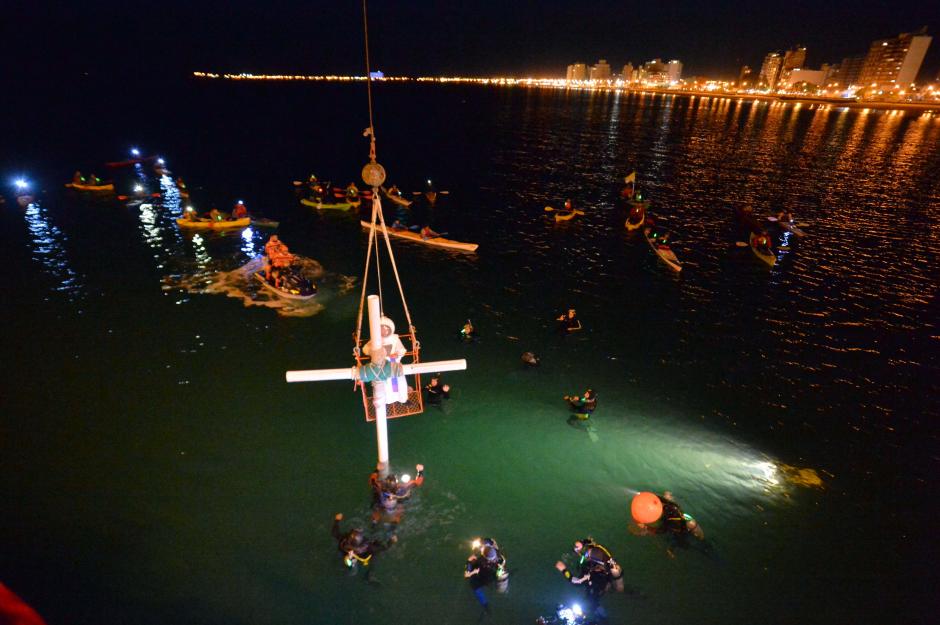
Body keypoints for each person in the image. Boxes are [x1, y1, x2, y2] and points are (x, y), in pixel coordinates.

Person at [362, 316, 410, 404]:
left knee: (399, 384)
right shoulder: (375, 340)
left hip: (394, 363)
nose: (384, 331)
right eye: (381, 328)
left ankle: (403, 399)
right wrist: (373, 351)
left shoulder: (395, 338)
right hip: (381, 365)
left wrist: (397, 354)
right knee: (385, 386)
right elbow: (365, 349)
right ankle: (386, 401)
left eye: (386, 328)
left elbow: (402, 350)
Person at [331, 513, 396, 576]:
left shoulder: (344, 541)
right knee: (376, 551)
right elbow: (384, 548)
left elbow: (335, 533)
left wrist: (336, 520)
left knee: (350, 564)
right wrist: (391, 541)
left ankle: (350, 567)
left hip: (348, 556)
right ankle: (370, 574)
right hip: (364, 557)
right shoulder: (369, 548)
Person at [465, 537, 509, 611]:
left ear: (484, 556)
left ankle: (485, 605)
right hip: (495, 576)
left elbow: (466, 575)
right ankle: (502, 587)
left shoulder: (480, 561)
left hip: (484, 579)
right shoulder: (500, 557)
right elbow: (493, 541)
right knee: (498, 575)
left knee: (474, 585)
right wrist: (482, 541)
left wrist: (469, 562)